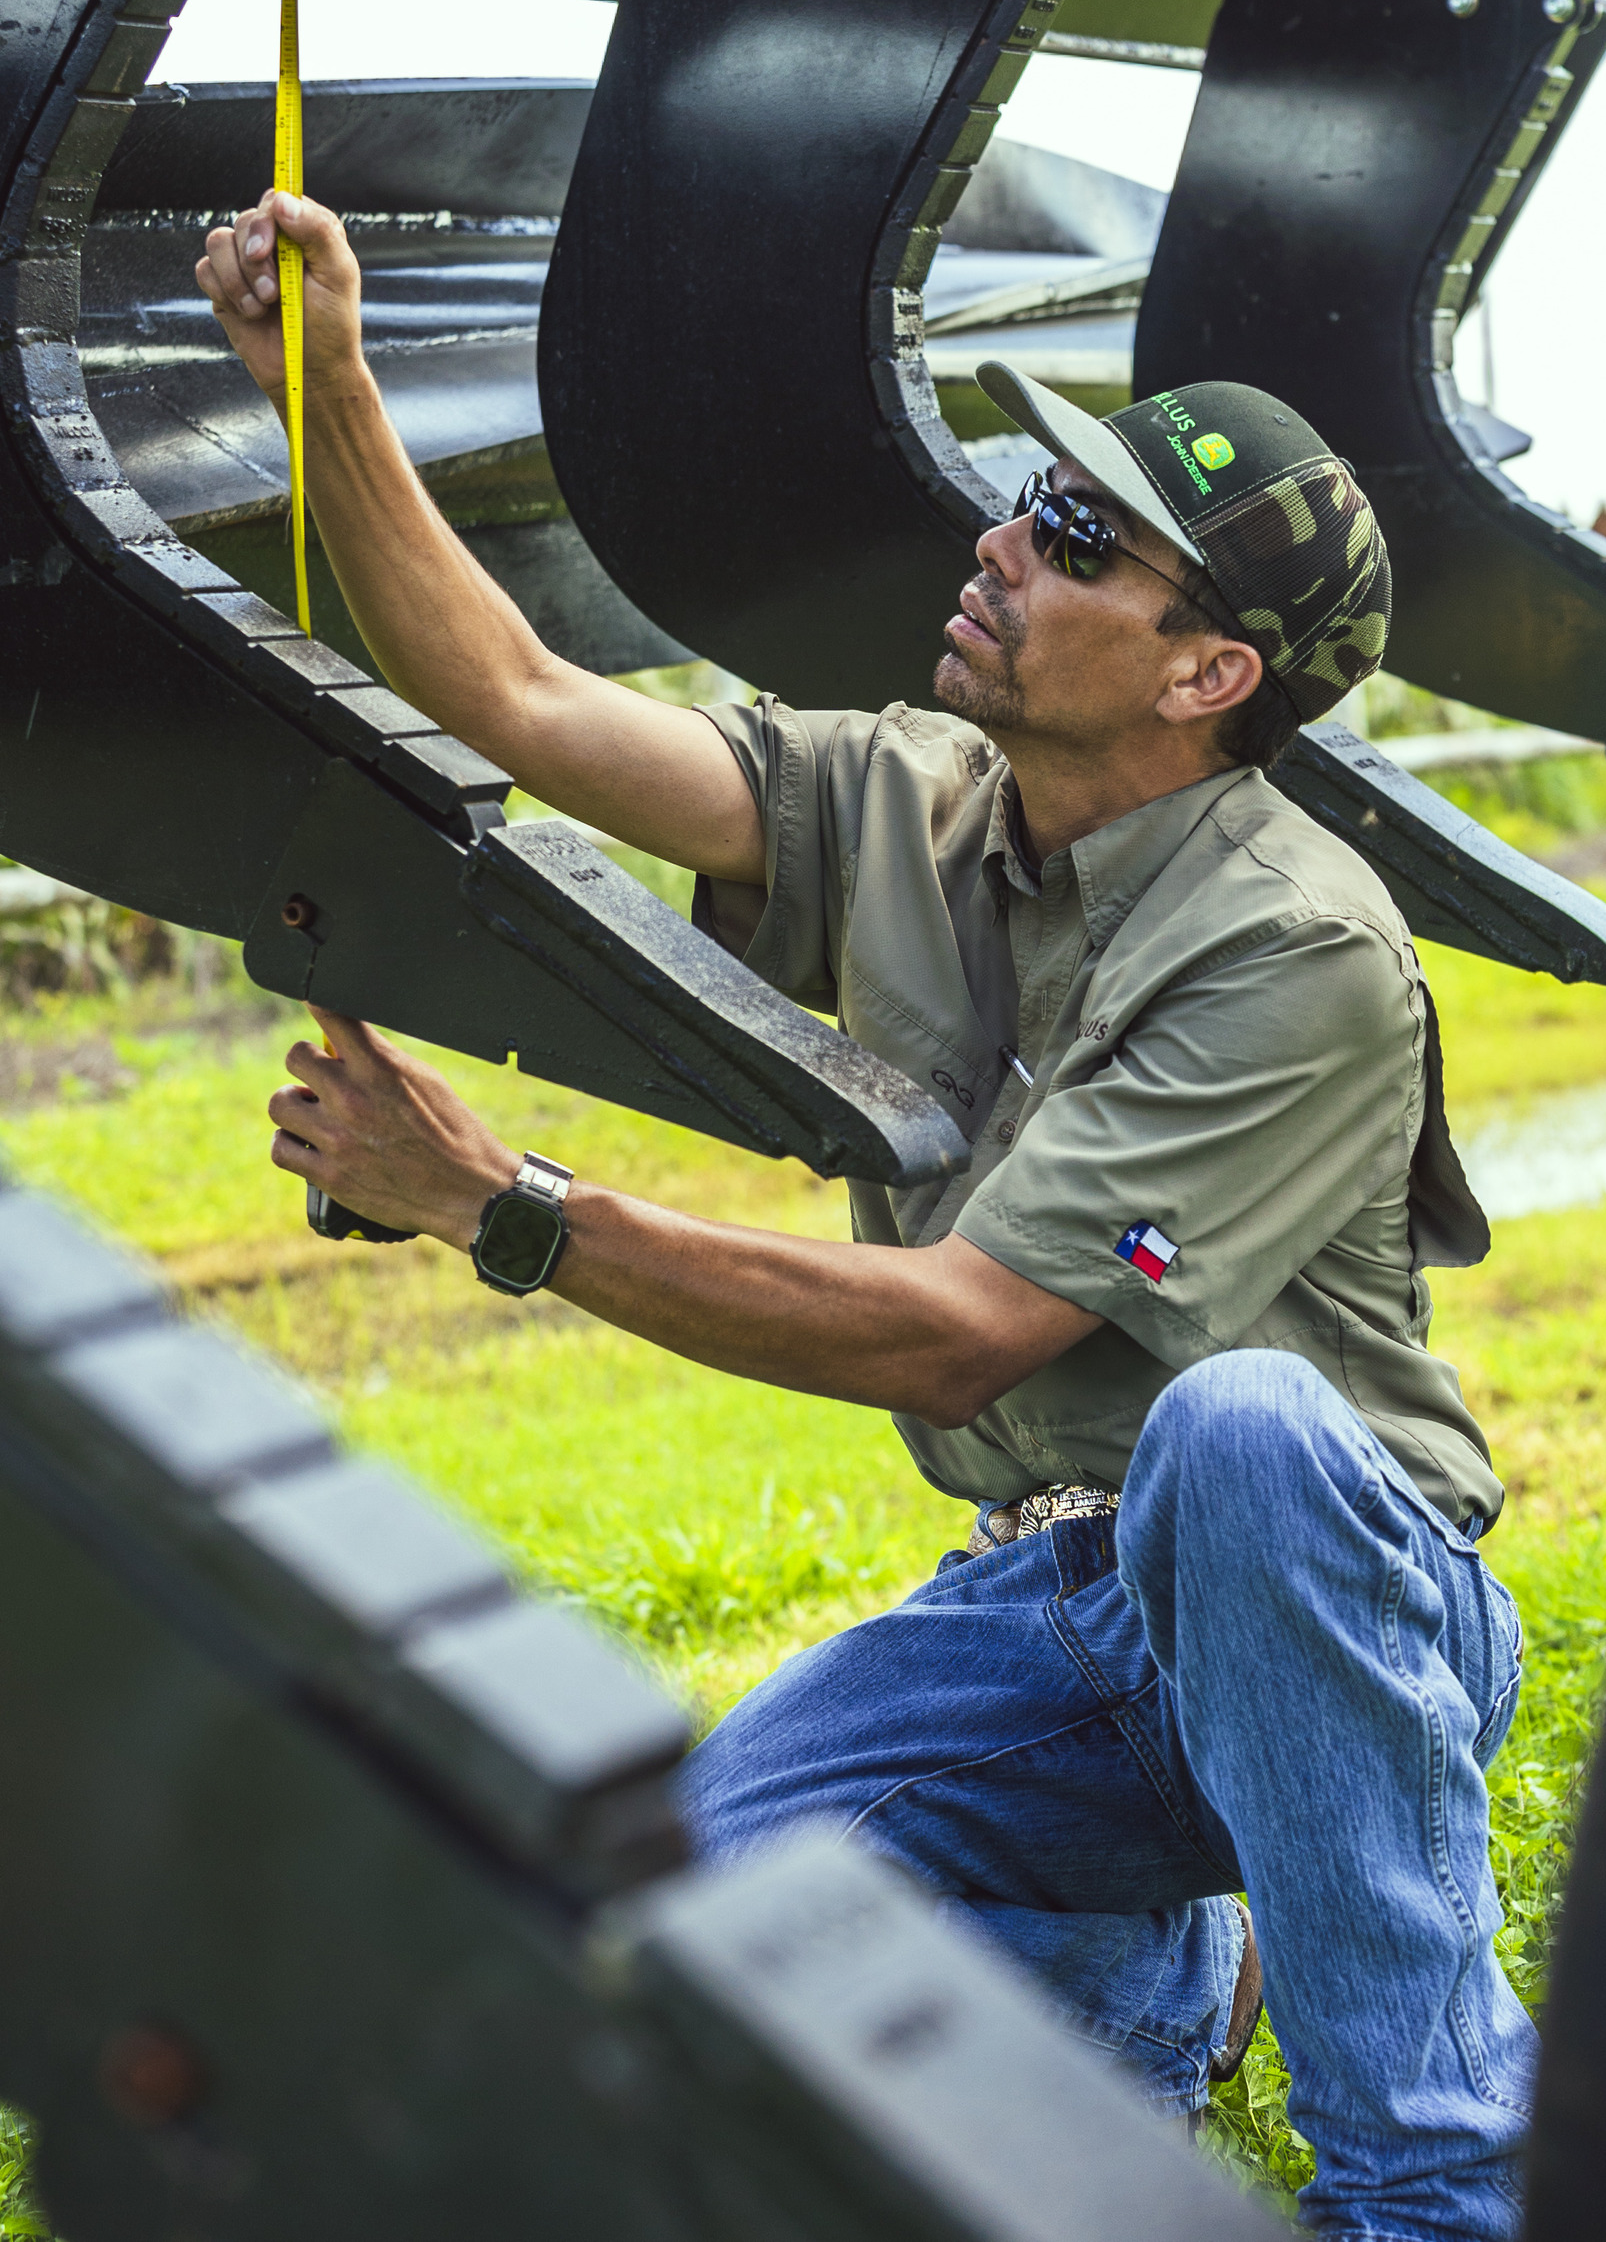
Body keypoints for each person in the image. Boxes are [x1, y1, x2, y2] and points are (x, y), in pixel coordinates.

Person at [200, 190, 1534, 2242]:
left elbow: (959, 1332)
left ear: (1211, 673)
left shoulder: (1300, 943)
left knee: (1242, 1433)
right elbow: (535, 704)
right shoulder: (908, 793)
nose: (1005, 541)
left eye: (1081, 539)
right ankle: (1167, 1978)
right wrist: (332, 391)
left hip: (1326, 1595)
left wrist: (506, 1207)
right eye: (1025, 495)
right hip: (1047, 1609)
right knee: (703, 1935)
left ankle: (1440, 2183)